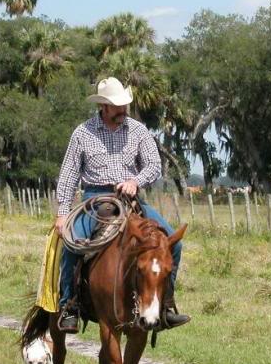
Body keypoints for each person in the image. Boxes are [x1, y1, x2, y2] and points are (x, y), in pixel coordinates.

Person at [53, 77, 191, 333]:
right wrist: (62, 213)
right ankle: (69, 305)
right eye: (117, 106)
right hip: (95, 200)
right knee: (72, 244)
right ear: (103, 106)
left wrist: (135, 181)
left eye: (125, 105)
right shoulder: (83, 133)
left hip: (130, 198)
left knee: (174, 243)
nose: (123, 111)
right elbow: (69, 174)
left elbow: (153, 165)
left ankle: (167, 305)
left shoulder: (138, 130)